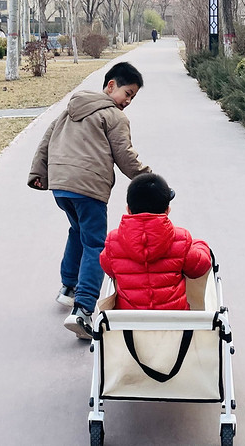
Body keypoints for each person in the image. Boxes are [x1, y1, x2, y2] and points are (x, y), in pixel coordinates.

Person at [28, 61, 152, 338]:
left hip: (61, 188)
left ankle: (68, 287)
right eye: (127, 93)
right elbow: (125, 156)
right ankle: (83, 310)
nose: (128, 101)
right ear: (110, 86)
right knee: (96, 243)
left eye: (133, 97)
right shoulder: (114, 117)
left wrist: (38, 173)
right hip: (89, 188)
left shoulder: (71, 109)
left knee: (78, 231)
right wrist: (149, 180)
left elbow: (46, 140)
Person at [99, 173, 212, 310]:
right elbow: (199, 267)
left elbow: (109, 268)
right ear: (167, 210)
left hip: (129, 324)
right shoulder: (181, 239)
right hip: (175, 324)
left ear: (128, 209)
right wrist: (200, 244)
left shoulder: (113, 241)